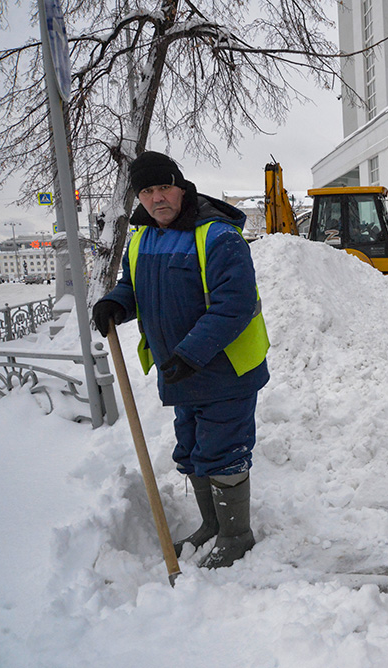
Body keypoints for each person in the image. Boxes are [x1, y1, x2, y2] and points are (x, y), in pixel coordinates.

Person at [91, 151, 269, 570]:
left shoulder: (217, 236)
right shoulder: (142, 237)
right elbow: (133, 285)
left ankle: (236, 535)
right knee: (192, 450)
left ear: (181, 186)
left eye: (163, 188)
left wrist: (192, 352)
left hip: (225, 370)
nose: (156, 199)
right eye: (146, 191)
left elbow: (235, 303)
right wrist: (116, 303)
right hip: (181, 371)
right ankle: (212, 524)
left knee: (224, 451)